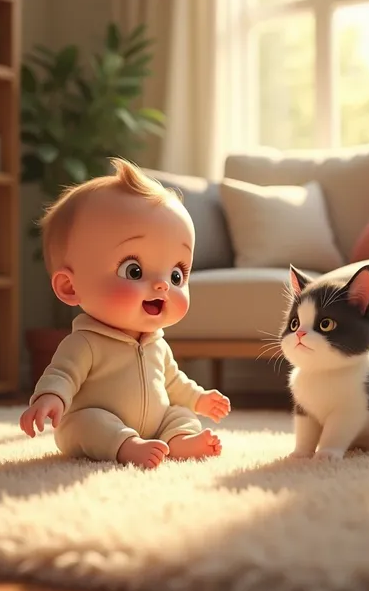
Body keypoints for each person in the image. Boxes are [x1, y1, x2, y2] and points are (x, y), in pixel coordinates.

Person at [20, 158, 231, 469]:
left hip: (154, 422)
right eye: (134, 271)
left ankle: (179, 440)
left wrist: (198, 399)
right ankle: (125, 445)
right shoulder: (86, 343)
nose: (162, 285)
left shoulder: (157, 344)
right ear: (70, 287)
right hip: (96, 421)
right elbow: (62, 375)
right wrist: (50, 398)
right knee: (87, 423)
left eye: (176, 275)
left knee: (179, 413)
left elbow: (173, 381)